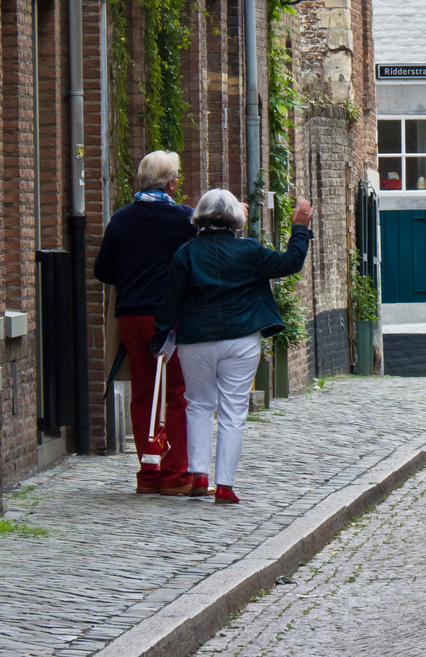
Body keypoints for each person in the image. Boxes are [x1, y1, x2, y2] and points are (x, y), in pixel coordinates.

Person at [151, 190, 314, 505]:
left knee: (197, 404)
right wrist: (299, 227)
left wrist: (160, 338)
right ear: (235, 221)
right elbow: (290, 262)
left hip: (195, 340)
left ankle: (198, 475)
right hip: (241, 339)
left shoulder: (186, 253)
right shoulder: (249, 251)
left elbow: (169, 302)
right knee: (233, 411)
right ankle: (224, 486)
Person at [94, 150, 197, 496]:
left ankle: (148, 470)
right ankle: (175, 473)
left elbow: (102, 271)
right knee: (176, 394)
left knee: (142, 392)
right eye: (177, 178)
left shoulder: (121, 220)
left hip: (130, 317)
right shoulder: (184, 220)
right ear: (171, 183)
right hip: (167, 319)